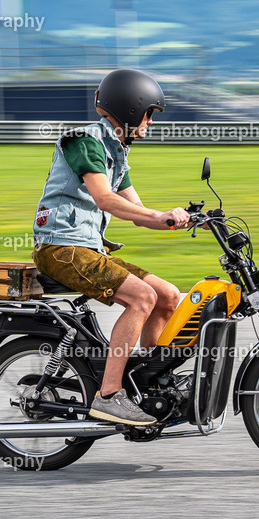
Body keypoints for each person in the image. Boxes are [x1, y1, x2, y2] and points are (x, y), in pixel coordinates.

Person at [31, 68, 190, 425]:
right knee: (141, 298)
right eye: (149, 113)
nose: (150, 122)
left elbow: (136, 212)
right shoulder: (85, 141)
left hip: (87, 250)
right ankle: (110, 396)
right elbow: (104, 199)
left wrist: (179, 218)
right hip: (60, 248)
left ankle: (152, 384)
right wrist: (159, 215)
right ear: (131, 109)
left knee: (166, 294)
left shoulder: (116, 153)